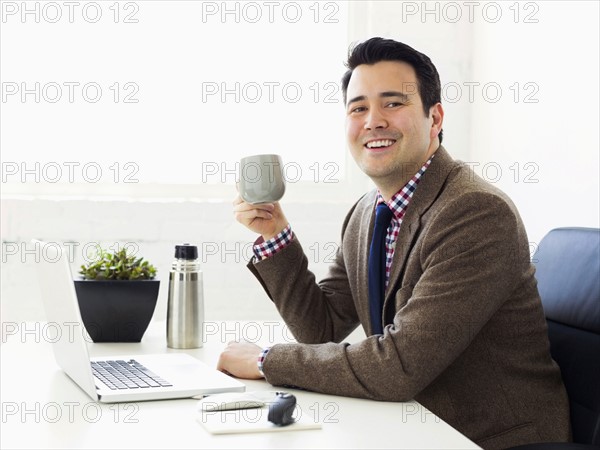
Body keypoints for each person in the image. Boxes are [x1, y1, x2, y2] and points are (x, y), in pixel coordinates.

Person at [217, 37, 570, 449]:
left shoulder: (475, 213)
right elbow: (321, 328)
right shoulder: (367, 212)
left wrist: (264, 362)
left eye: (393, 103)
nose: (373, 121)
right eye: (358, 108)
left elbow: (399, 365)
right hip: (410, 426)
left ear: (434, 117)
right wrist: (274, 234)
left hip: (487, 438)